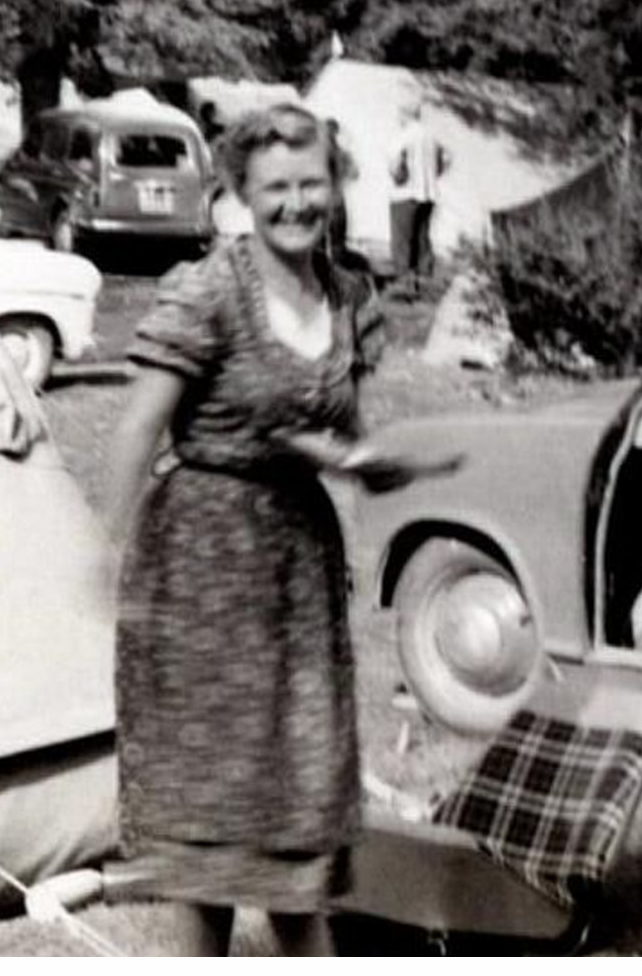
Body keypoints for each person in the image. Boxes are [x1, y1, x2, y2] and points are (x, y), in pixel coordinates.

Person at [99, 103, 416, 957]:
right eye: (275, 187)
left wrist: (355, 461)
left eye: (311, 182)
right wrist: (104, 557)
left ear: (336, 185)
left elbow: (319, 424)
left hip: (296, 567)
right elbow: (138, 429)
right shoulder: (205, 290)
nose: (296, 202)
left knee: (301, 793)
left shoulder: (349, 296)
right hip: (202, 562)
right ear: (240, 191)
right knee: (215, 803)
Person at [387, 101, 449, 285]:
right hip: (429, 192)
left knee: (402, 240)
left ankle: (404, 281)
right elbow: (446, 158)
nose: (398, 118)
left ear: (405, 114)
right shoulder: (431, 135)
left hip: (405, 193)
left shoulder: (404, 135)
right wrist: (434, 174)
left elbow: (394, 161)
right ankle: (425, 278)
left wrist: (398, 176)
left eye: (400, 114)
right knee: (423, 237)